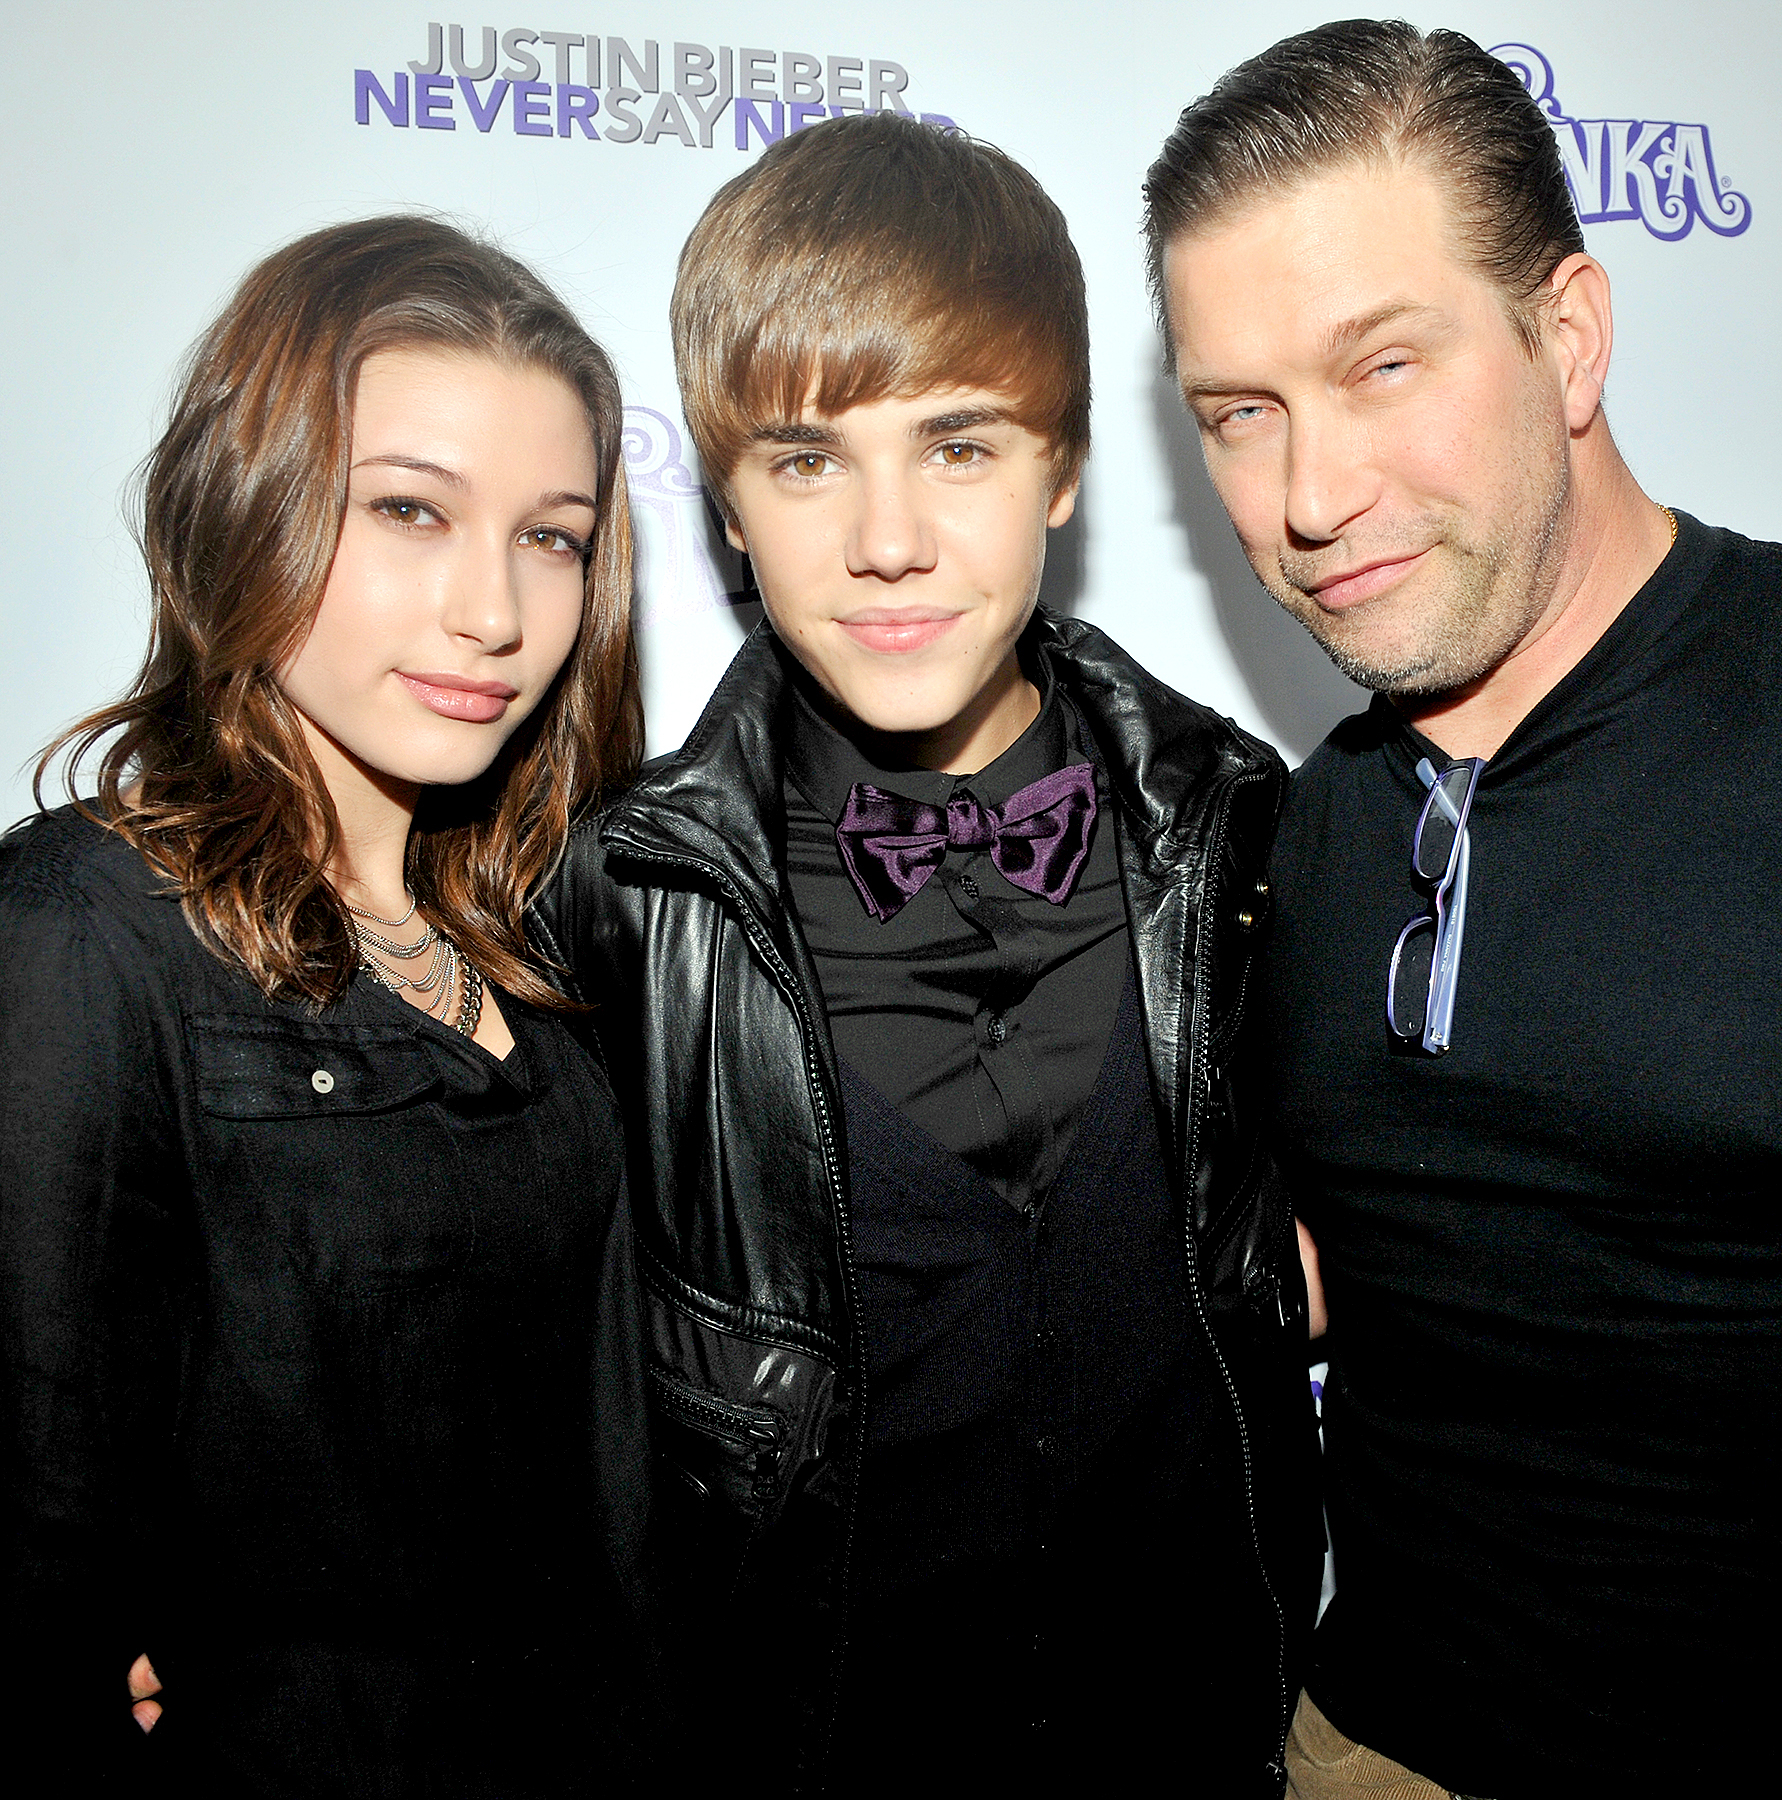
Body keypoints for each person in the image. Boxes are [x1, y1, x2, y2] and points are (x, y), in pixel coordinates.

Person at [530, 112, 1322, 1795]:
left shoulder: (1247, 838)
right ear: (726, 502)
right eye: (809, 460)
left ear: (1063, 469)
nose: (886, 539)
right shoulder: (624, 903)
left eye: (957, 447)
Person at [1145, 19, 1781, 1797]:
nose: (1309, 496)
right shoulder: (1290, 833)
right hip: (1359, 1751)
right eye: (1240, 415)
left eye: (1383, 367)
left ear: (1566, 337)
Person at [1, 215, 650, 1793]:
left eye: (550, 535)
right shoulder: (86, 934)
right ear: (252, 506)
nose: (490, 612)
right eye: (408, 512)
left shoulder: (552, 935)